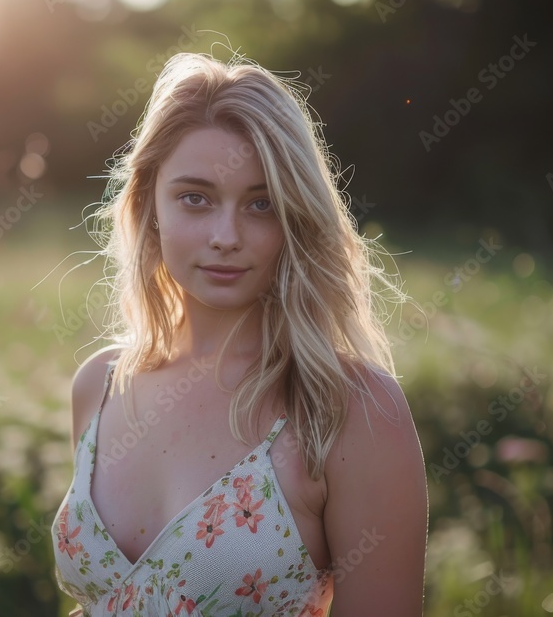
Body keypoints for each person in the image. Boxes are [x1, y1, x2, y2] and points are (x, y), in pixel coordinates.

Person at [53, 51, 428, 616]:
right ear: (149, 204)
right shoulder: (101, 385)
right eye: (195, 198)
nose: (226, 235)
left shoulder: (349, 409)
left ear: (297, 218)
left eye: (261, 203)